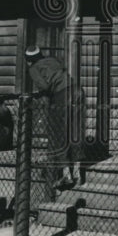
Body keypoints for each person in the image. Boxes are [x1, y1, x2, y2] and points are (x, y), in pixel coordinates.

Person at [24, 46, 84, 190]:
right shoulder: (52, 60)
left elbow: (44, 86)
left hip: (62, 95)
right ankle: (78, 173)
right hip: (77, 90)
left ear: (29, 60)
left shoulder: (33, 68)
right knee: (75, 131)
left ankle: (66, 174)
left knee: (58, 134)